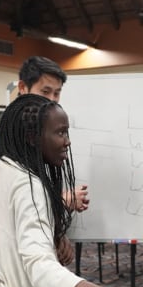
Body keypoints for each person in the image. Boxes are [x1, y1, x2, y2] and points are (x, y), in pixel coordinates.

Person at [0, 94, 129, 287]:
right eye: (60, 133)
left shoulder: (2, 168)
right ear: (32, 137)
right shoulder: (27, 183)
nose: (67, 142)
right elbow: (38, 264)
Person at [17, 56, 89, 213]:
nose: (52, 100)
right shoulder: (13, 135)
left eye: (56, 93)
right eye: (45, 91)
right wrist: (62, 201)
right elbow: (24, 204)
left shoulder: (44, 126)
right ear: (23, 88)